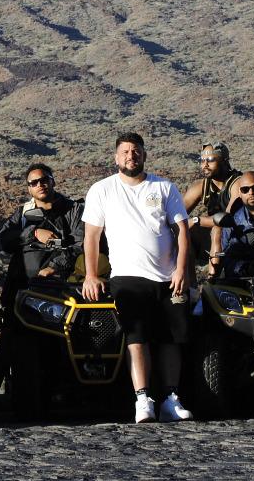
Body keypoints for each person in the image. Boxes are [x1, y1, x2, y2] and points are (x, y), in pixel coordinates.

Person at [82, 132, 194, 424]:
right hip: (128, 276)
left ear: (144, 155)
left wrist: (181, 270)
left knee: (171, 338)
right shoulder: (102, 190)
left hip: (168, 278)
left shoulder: (164, 187)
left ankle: (171, 399)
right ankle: (143, 399)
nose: (131, 156)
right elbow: (91, 236)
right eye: (125, 151)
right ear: (116, 157)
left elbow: (182, 231)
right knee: (137, 337)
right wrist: (91, 275)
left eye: (136, 151)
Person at [0, 163, 84, 408]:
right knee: (9, 339)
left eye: (44, 179)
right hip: (21, 288)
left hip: (60, 289)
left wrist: (54, 266)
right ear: (28, 188)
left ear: (53, 181)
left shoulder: (74, 210)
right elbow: (5, 240)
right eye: (33, 182)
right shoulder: (23, 214)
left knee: (61, 340)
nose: (40, 185)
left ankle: (61, 396)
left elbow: (81, 244)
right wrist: (34, 233)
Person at [181, 141, 238, 271]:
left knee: (218, 229)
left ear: (224, 161)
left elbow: (226, 219)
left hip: (239, 232)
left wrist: (195, 220)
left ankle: (214, 277)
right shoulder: (202, 185)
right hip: (214, 236)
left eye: (211, 160)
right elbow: (177, 214)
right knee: (178, 231)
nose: (205, 164)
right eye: (202, 160)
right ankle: (187, 278)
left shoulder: (237, 183)